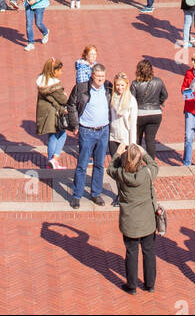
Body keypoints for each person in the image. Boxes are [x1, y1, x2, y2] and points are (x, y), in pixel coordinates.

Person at [105, 142, 158, 294]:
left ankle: (132, 286)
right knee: (149, 252)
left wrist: (117, 153)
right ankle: (150, 284)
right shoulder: (147, 173)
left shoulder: (121, 174)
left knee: (131, 253)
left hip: (130, 221)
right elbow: (154, 165)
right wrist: (144, 152)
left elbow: (109, 169)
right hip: (147, 220)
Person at [67, 63, 113, 208]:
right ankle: (77, 195)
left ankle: (96, 193)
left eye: (103, 76)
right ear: (92, 75)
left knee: (99, 164)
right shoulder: (81, 88)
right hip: (87, 131)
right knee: (82, 164)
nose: (101, 79)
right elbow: (71, 105)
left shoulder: (108, 87)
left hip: (103, 130)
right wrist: (75, 125)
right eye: (98, 76)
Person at [130, 58, 168, 158]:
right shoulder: (158, 81)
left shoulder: (135, 84)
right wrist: (158, 102)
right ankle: (151, 164)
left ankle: (136, 161)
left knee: (137, 139)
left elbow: (132, 100)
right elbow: (165, 95)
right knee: (150, 140)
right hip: (155, 113)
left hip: (139, 114)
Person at [36, 58, 70, 169]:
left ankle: (51, 162)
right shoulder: (55, 86)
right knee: (61, 135)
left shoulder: (42, 82)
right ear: (53, 71)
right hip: (54, 113)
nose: (61, 72)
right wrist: (65, 95)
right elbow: (63, 100)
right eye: (60, 70)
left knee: (52, 136)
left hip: (45, 113)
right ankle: (53, 160)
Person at [109, 72, 138, 157]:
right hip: (113, 137)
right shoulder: (112, 98)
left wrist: (132, 144)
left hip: (125, 139)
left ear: (126, 84)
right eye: (117, 85)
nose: (120, 88)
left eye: (122, 85)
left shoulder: (131, 100)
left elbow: (133, 124)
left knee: (124, 167)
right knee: (114, 165)